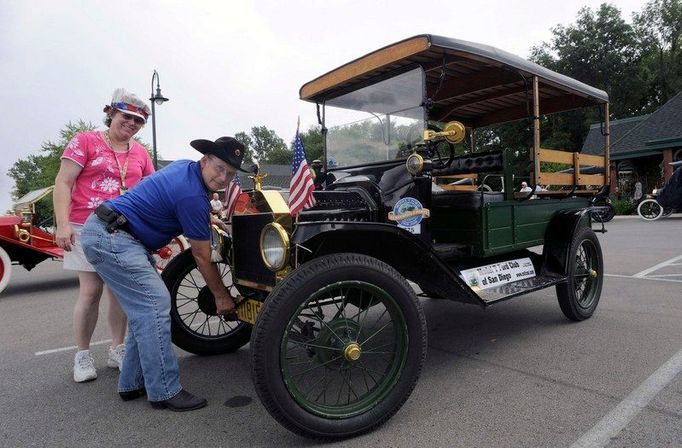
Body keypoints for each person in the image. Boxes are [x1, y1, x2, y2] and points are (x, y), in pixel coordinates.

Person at [80, 136, 248, 412]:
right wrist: (222, 296)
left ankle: (132, 383)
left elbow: (179, 204)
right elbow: (201, 255)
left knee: (144, 311)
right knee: (156, 305)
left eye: (230, 174)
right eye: (219, 169)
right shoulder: (193, 194)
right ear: (205, 160)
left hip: (110, 231)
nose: (223, 178)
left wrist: (211, 218)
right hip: (113, 238)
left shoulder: (185, 168)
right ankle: (164, 390)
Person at [54, 88, 154, 383]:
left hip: (124, 229)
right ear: (112, 113)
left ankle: (117, 349)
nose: (132, 124)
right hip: (86, 225)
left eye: (139, 120)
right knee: (91, 291)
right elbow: (63, 182)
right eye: (127, 116)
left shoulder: (140, 153)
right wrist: (62, 224)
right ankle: (82, 355)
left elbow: (150, 191)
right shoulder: (85, 141)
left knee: (119, 292)